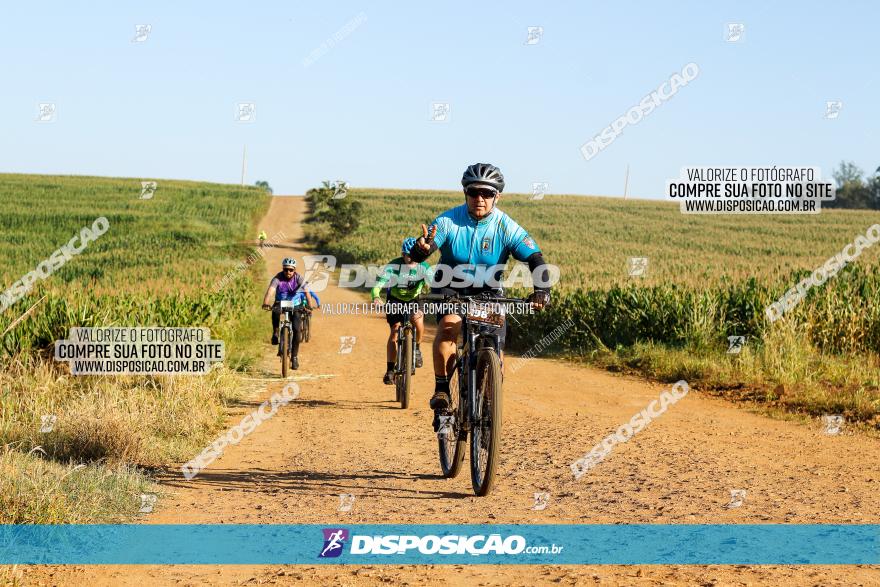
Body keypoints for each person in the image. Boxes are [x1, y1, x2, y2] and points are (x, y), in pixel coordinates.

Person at [409, 163, 552, 411]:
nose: (479, 199)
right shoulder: (448, 221)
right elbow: (427, 249)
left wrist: (542, 290)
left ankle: (488, 404)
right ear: (465, 193)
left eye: (487, 193)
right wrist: (420, 250)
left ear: (498, 196)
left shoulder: (505, 226)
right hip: (450, 286)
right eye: (474, 192)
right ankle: (442, 388)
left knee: (495, 348)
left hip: (488, 292)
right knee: (448, 327)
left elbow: (534, 258)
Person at [371, 237, 432, 385]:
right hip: (395, 299)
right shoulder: (393, 266)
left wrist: (435, 296)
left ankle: (416, 349)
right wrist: (376, 297)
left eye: (414, 256)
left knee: (418, 321)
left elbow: (433, 284)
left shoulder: (424, 266)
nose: (411, 259)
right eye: (408, 255)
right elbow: (378, 285)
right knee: (395, 332)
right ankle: (390, 370)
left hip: (414, 300)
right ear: (403, 255)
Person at [261, 258, 320, 370]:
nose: (288, 272)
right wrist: (265, 303)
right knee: (275, 311)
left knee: (297, 330)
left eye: (291, 270)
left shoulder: (299, 278)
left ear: (294, 270)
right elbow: (270, 291)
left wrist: (309, 306)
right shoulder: (277, 278)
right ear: (283, 269)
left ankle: (294, 357)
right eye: (286, 269)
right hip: (281, 302)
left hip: (296, 304)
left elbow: (307, 292)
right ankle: (276, 332)